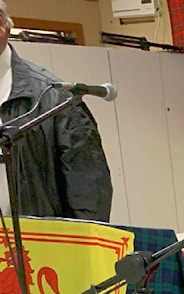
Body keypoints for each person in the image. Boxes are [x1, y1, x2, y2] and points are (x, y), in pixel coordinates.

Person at [0, 1, 112, 222]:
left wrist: (79, 248)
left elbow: (90, 190)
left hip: (38, 247)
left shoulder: (55, 97)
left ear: (2, 23)